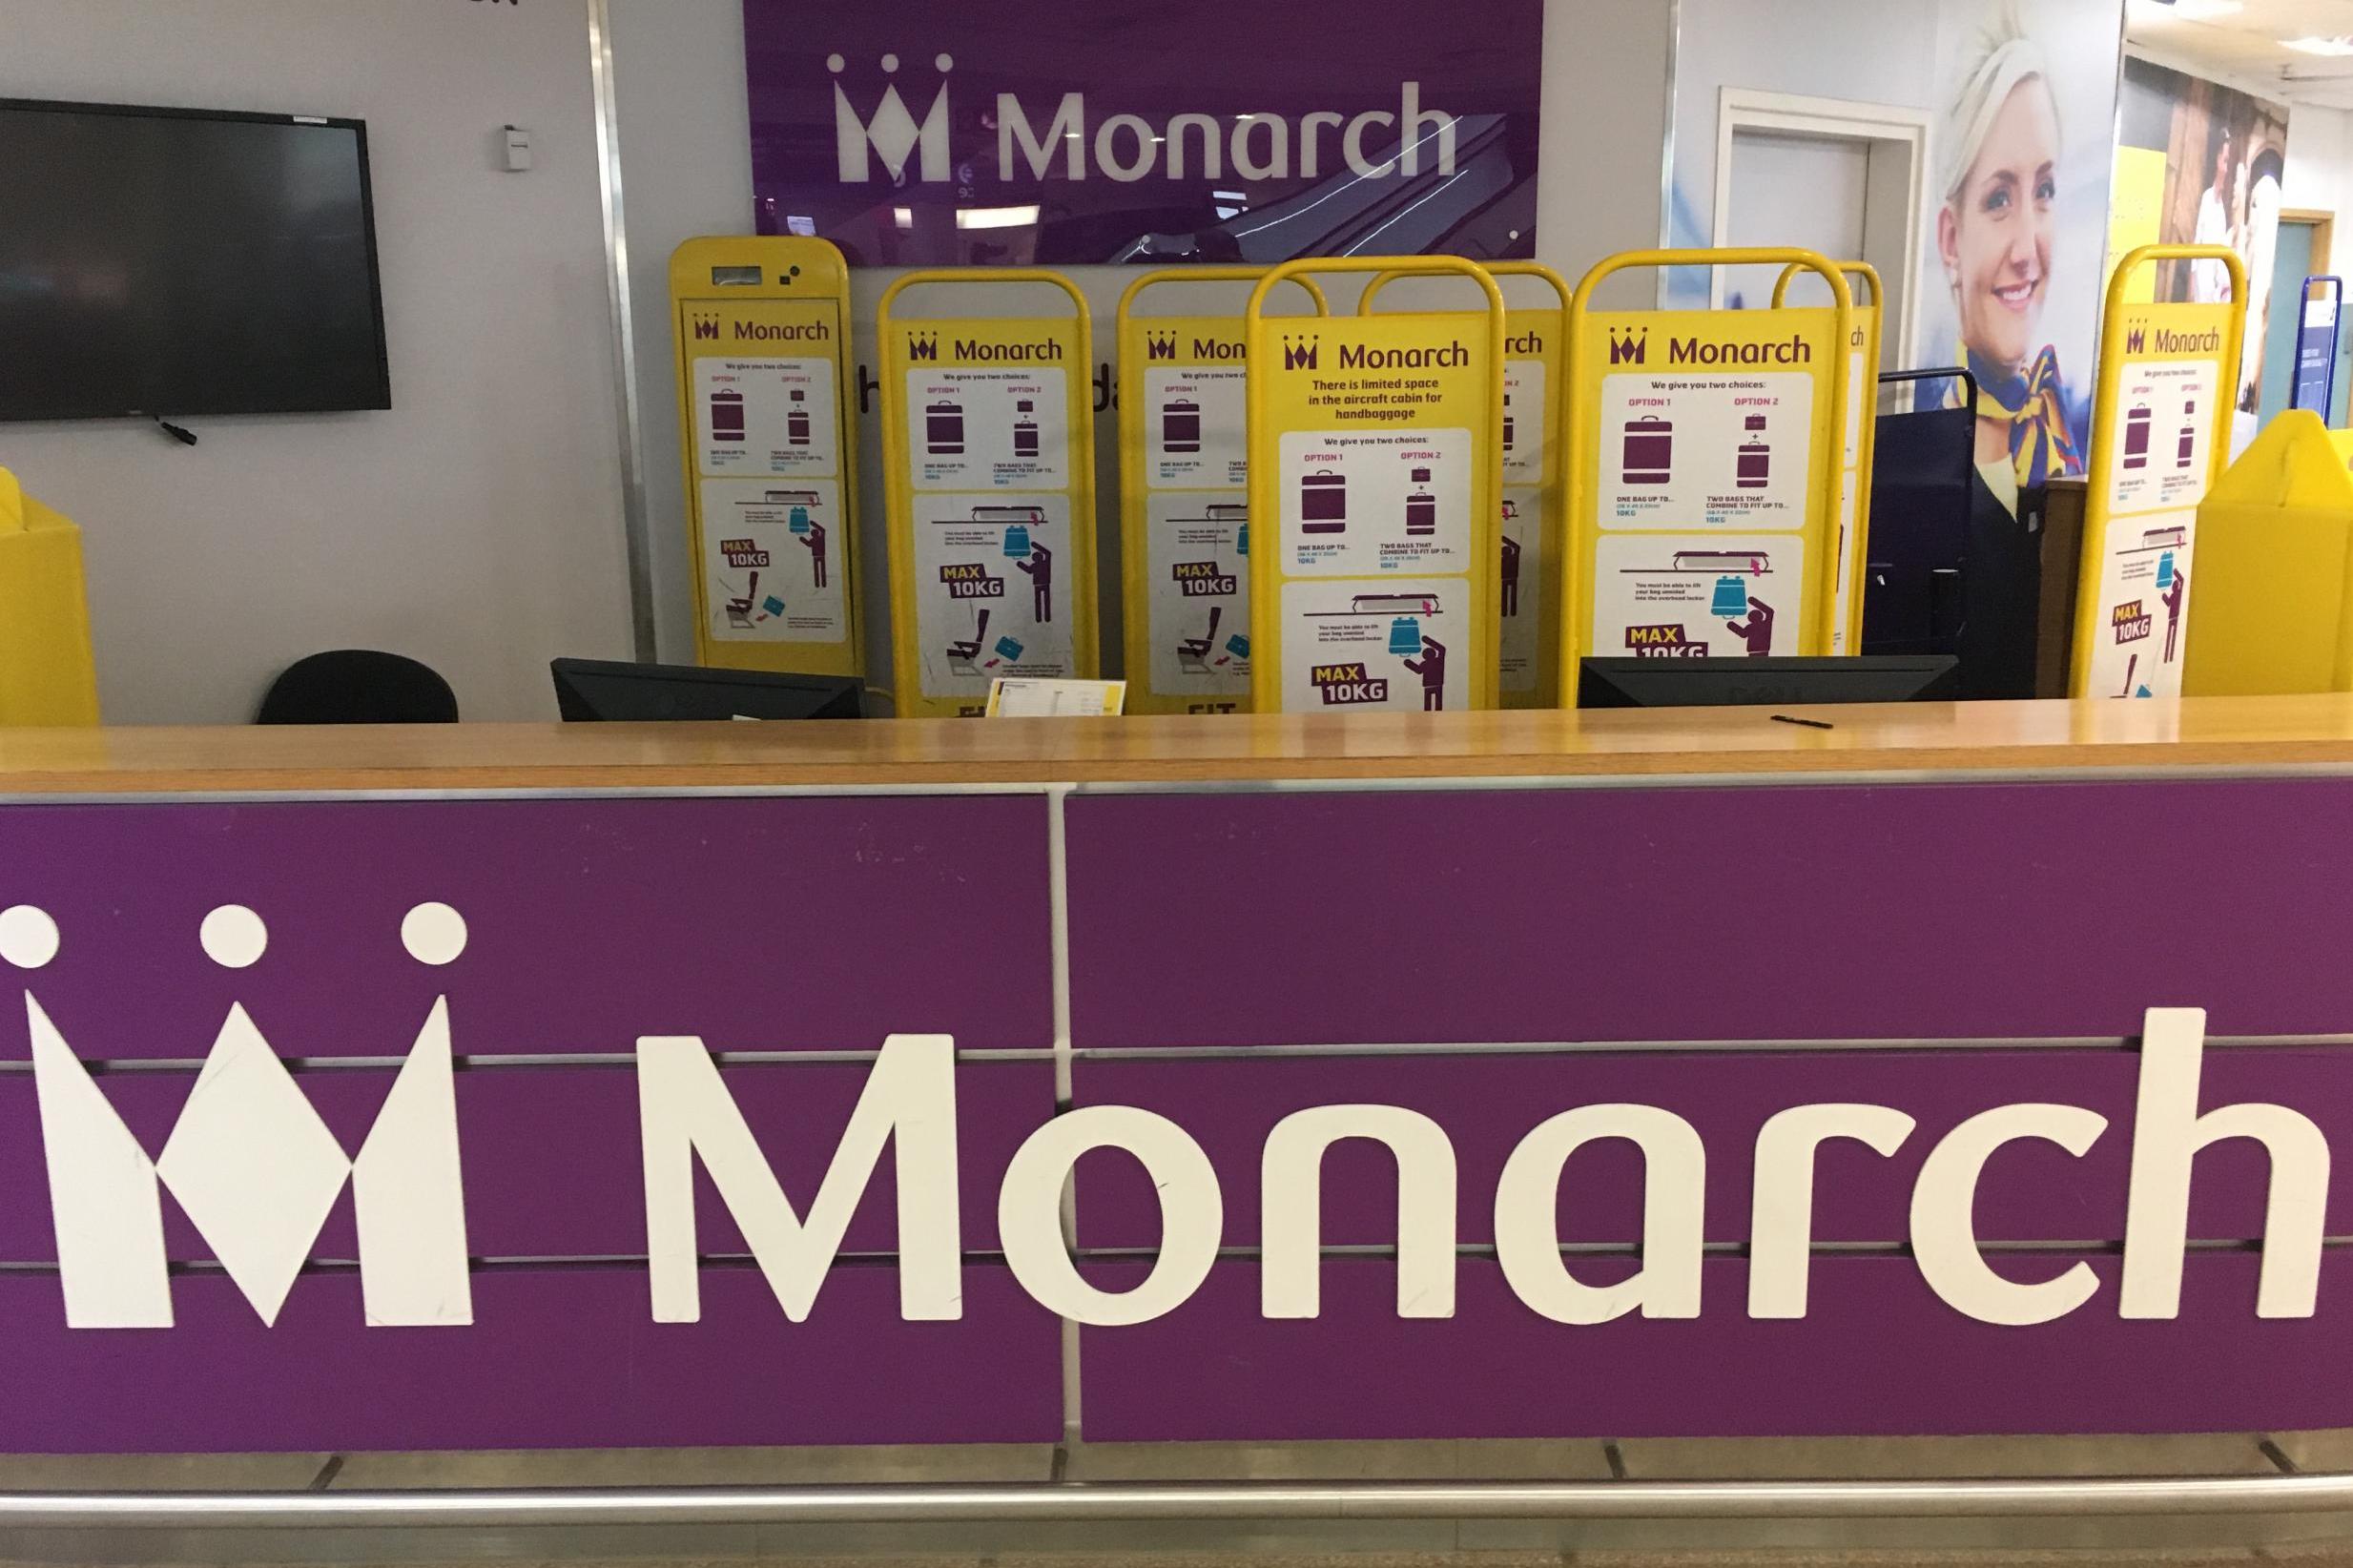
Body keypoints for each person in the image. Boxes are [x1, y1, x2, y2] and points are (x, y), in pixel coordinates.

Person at [1933, 11, 2084, 501]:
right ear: (1952, 239)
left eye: (2043, 190)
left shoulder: (2066, 434)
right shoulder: (1925, 457)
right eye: (1999, 199)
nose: (2026, 251)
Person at [2193, 130, 2237, 304]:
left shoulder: (2221, 208)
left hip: (2215, 292)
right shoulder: (2206, 199)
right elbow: (2195, 249)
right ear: (2216, 161)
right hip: (2201, 288)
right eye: (2224, 161)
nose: (2226, 169)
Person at [1401, 635, 1446, 712]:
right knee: (1437, 703)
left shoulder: (1425, 664)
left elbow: (1418, 670)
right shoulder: (1439, 660)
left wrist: (1408, 663)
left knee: (1428, 704)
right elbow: (1442, 649)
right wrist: (1427, 640)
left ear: (1424, 656)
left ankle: (1429, 715)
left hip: (1428, 686)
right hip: (1438, 685)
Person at [1014, 541, 1052, 624]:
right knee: (1045, 601)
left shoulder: (1036, 565)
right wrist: (1035, 545)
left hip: (1039, 585)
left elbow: (1028, 570)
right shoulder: (1045, 563)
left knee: (1039, 602)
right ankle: (1045, 618)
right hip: (1044, 584)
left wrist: (1020, 564)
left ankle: (1040, 618)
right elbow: (1047, 553)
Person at [796, 520, 827, 589]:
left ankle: (819, 584)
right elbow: (822, 530)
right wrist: (813, 524)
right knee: (821, 570)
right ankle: (821, 583)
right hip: (820, 556)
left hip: (817, 556)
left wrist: (802, 539)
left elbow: (808, 544)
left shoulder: (816, 539)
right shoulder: (820, 538)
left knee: (818, 570)